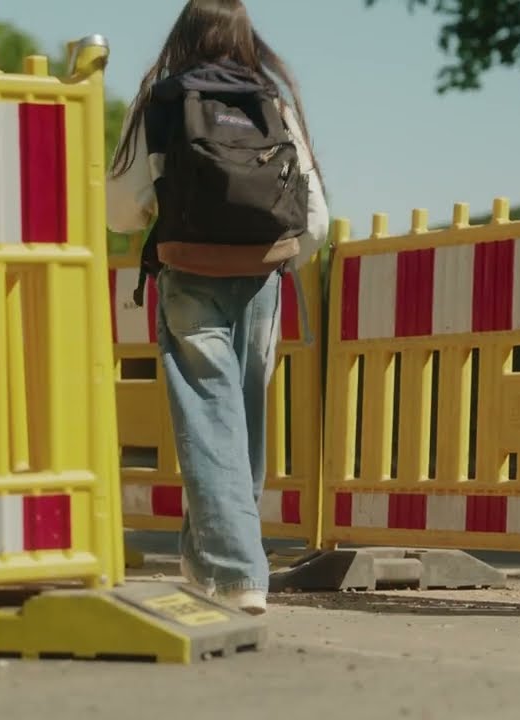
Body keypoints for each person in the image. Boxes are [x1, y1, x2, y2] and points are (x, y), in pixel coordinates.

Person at [106, 0, 329, 615]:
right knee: (242, 425)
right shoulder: (272, 102)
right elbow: (316, 217)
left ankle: (235, 572)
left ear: (184, 36)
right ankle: (207, 562)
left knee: (210, 419)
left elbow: (120, 209)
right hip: (262, 279)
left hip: (190, 274)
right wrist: (284, 255)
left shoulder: (161, 102)